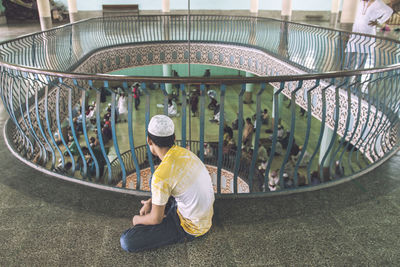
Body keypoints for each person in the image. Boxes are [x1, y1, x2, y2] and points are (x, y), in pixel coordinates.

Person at [120, 115, 215, 252]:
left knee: (127, 241)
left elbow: (155, 219)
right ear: (174, 138)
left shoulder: (160, 175)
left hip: (191, 228)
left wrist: (136, 220)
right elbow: (174, 184)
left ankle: (170, 220)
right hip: (204, 218)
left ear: (149, 140)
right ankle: (166, 211)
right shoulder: (185, 153)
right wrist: (152, 201)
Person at [345, 0, 393, 70]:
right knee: (350, 51)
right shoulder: (361, 2)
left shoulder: (378, 3)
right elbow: (358, 17)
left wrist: (378, 22)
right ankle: (346, 71)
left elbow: (389, 11)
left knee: (363, 53)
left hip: (367, 32)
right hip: (356, 32)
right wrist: (352, 32)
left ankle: (359, 74)